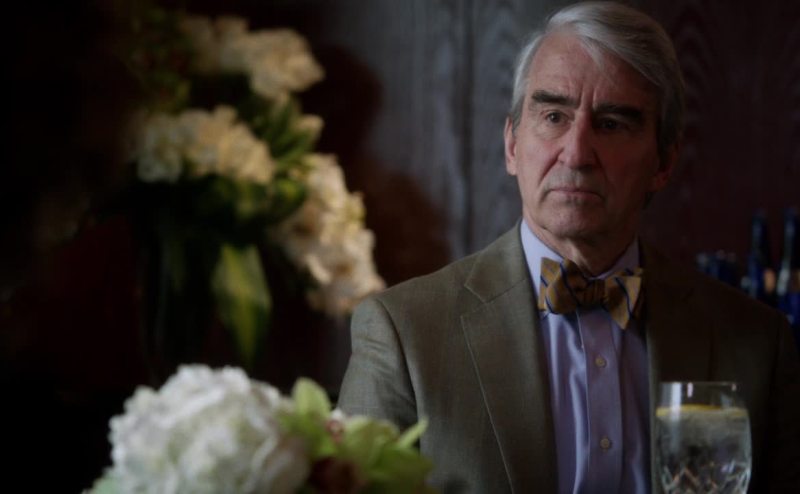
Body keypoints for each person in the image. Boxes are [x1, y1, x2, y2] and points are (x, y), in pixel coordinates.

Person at [337, 1, 800, 493]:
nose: (576, 154)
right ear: (512, 145)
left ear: (664, 162)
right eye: (554, 115)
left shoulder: (757, 344)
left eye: (612, 124)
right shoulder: (403, 333)